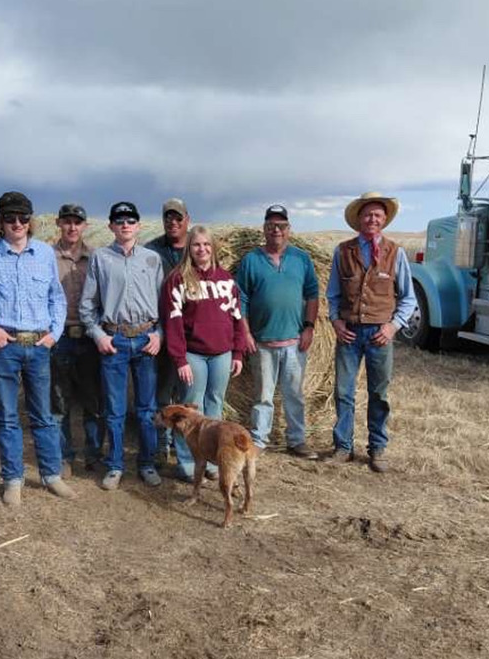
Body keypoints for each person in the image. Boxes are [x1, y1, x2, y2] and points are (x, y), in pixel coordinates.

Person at [0, 191, 72, 506]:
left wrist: (54, 333)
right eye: (10, 218)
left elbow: (57, 298)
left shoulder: (44, 253)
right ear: (0, 221)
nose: (17, 224)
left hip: (39, 346)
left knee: (44, 414)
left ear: (31, 221)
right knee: (8, 416)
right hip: (4, 346)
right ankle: (12, 479)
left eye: (23, 218)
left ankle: (51, 475)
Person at [325, 192, 417, 472]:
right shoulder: (343, 251)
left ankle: (377, 448)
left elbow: (408, 298)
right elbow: (332, 294)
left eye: (377, 215)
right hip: (349, 332)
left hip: (380, 334)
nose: (372, 219)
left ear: (385, 219)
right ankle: (343, 447)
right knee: (344, 391)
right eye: (367, 215)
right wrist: (336, 322)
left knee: (379, 393)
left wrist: (392, 327)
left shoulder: (395, 252)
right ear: (358, 220)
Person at [79, 201, 164, 491]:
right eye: (119, 220)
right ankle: (115, 466)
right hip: (113, 341)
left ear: (139, 225)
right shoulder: (100, 258)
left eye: (130, 220)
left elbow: (165, 304)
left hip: (145, 341)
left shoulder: (152, 259)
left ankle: (147, 463)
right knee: (114, 410)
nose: (125, 224)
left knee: (146, 408)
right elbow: (87, 304)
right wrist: (98, 335)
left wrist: (160, 334)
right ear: (111, 226)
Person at [160, 225, 246, 481]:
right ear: (190, 248)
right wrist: (180, 358)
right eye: (197, 244)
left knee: (215, 406)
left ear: (213, 248)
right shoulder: (178, 279)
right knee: (189, 411)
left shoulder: (226, 280)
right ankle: (187, 461)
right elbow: (173, 322)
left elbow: (237, 318)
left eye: (206, 244)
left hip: (222, 354)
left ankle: (212, 460)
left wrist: (238, 352)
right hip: (194, 355)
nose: (202, 249)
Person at [235, 205, 320, 458]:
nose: (276, 230)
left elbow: (312, 294)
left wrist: (309, 327)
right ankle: (259, 440)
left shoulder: (301, 258)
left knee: (294, 394)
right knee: (263, 396)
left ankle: (296, 440)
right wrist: (246, 334)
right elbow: (240, 301)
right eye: (271, 225)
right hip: (262, 343)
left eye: (281, 225)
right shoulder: (251, 260)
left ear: (289, 229)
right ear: (264, 229)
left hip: (295, 342)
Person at [50, 203, 105, 474]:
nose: (72, 227)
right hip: (59, 337)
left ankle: (94, 454)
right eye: (67, 221)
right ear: (58, 223)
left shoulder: (96, 258)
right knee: (60, 402)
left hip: (89, 337)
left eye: (77, 222)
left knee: (93, 400)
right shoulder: (46, 257)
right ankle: (64, 457)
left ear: (85, 226)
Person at [146, 198, 191, 467]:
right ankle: (162, 446)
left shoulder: (198, 249)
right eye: (168, 218)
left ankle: (186, 447)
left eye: (177, 217)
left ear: (187, 218)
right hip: (162, 331)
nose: (172, 222)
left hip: (192, 334)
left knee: (188, 394)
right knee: (162, 392)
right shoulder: (151, 251)